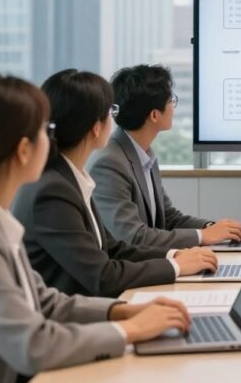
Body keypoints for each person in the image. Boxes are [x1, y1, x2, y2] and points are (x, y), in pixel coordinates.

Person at [0, 75, 192, 383]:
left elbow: (43, 301)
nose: (54, 138)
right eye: (46, 130)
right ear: (24, 150)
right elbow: (33, 345)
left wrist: (121, 311)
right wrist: (131, 330)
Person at [12, 70, 219, 298]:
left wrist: (174, 257)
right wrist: (177, 267)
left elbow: (113, 249)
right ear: (96, 127)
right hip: (74, 318)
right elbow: (102, 276)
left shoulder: (69, 177)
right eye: (110, 112)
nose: (114, 119)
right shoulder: (52, 191)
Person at [91, 64, 241, 248]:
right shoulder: (110, 164)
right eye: (171, 101)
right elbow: (133, 237)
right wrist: (202, 236)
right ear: (154, 115)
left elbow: (168, 217)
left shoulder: (143, 153)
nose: (173, 106)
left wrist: (210, 228)